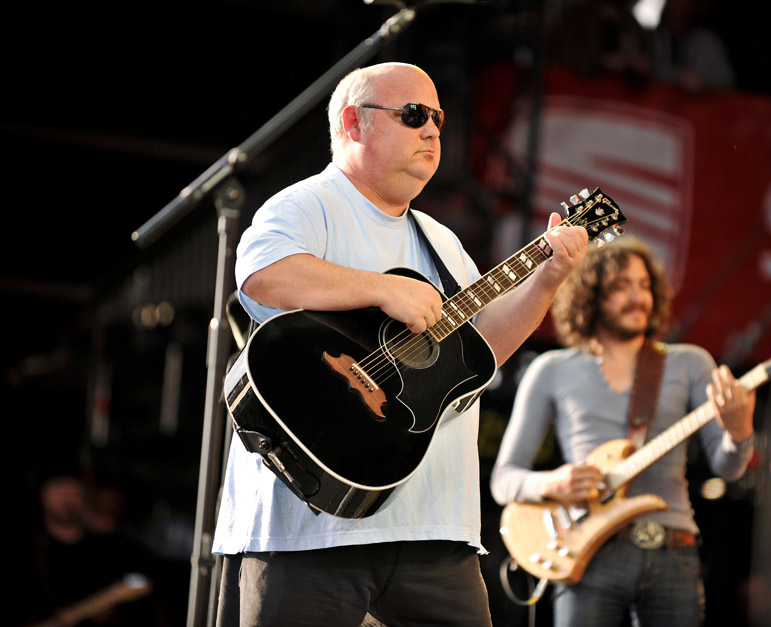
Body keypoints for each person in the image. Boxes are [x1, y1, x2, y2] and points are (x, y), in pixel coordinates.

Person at [211, 62, 589, 627]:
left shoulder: (442, 242)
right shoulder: (305, 206)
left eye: (438, 118)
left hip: (436, 533)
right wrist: (383, 290)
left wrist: (548, 279)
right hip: (309, 529)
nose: (433, 131)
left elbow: (478, 355)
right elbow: (263, 276)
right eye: (414, 115)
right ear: (353, 124)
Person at [490, 237, 756, 627]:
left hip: (673, 550)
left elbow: (728, 469)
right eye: (621, 286)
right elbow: (504, 480)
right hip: (586, 551)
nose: (637, 297)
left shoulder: (690, 363)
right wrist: (554, 483)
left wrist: (739, 433)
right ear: (589, 295)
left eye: (644, 285)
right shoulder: (551, 370)